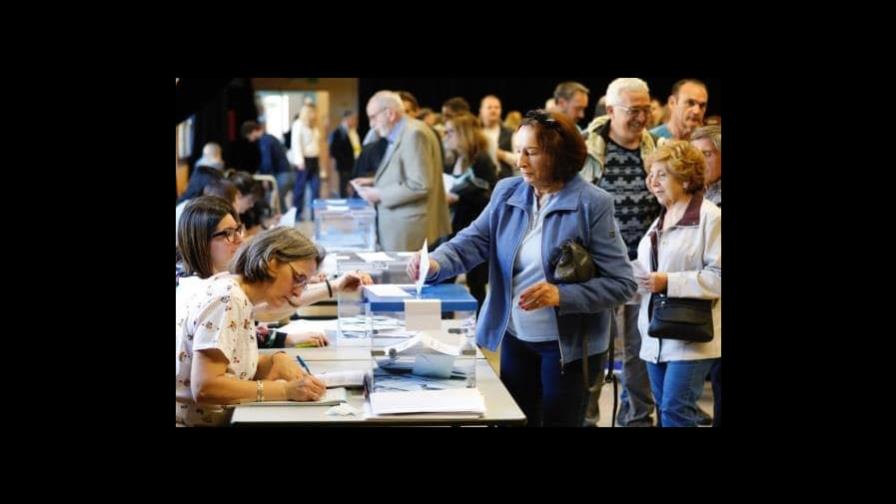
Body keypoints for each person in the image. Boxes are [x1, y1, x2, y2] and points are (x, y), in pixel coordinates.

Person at [407, 110, 636, 426]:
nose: (520, 162)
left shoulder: (592, 203)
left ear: (558, 154)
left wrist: (561, 295)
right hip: (515, 336)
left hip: (568, 348)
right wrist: (435, 261)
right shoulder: (508, 191)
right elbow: (474, 240)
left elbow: (623, 283)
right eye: (518, 151)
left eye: (531, 152)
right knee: (511, 420)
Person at [176, 227, 331, 426]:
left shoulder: (236, 293)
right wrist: (285, 391)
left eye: (304, 284)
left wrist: (272, 361)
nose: (298, 293)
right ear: (271, 262)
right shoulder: (228, 298)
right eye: (298, 279)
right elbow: (206, 387)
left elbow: (229, 362)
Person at [636, 140, 721, 427]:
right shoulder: (659, 220)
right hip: (654, 333)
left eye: (662, 174)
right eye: (651, 174)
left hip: (691, 337)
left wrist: (668, 282)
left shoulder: (711, 217)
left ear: (685, 179)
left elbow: (718, 278)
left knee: (675, 411)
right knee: (665, 410)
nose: (652, 181)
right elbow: (651, 271)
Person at [352, 90, 450, 251]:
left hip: (409, 231)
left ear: (390, 114)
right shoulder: (405, 131)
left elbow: (419, 185)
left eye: (373, 117)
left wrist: (378, 194)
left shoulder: (414, 134)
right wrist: (374, 181)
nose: (371, 124)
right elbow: (408, 173)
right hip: (403, 228)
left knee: (406, 277)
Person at [442, 112, 497, 313]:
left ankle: (479, 335)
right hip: (453, 226)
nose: (446, 136)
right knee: (444, 277)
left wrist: (461, 197)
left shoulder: (480, 159)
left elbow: (491, 197)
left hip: (475, 230)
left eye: (450, 132)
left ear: (462, 134)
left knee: (476, 283)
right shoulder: (453, 159)